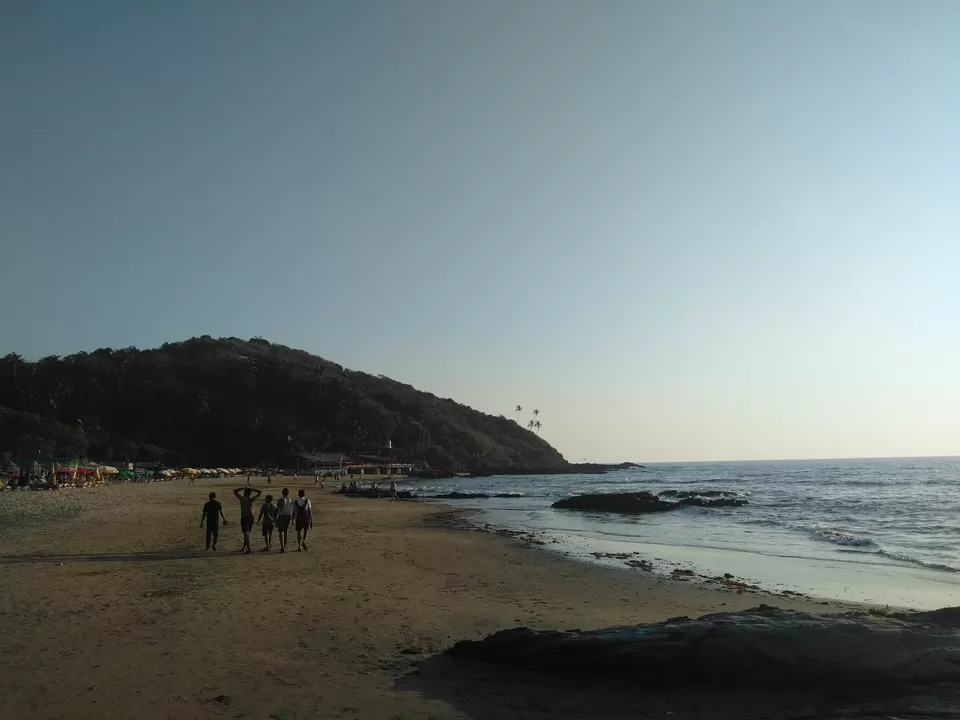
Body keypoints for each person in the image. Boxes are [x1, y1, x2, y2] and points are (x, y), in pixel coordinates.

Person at [233, 486, 262, 554]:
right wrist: (253, 489)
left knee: (246, 533)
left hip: (245, 517)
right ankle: (244, 547)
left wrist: (243, 487)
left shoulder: (242, 499)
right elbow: (260, 492)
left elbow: (235, 491)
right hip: (251, 517)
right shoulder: (252, 499)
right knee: (247, 533)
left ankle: (248, 548)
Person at [275, 487, 294, 553]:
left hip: (282, 516)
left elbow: (278, 510)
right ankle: (284, 545)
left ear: (282, 493)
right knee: (285, 531)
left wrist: (276, 519)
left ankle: (282, 547)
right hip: (288, 516)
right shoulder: (291, 500)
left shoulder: (280, 500)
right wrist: (292, 519)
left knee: (280, 532)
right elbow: (291, 510)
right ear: (288, 493)